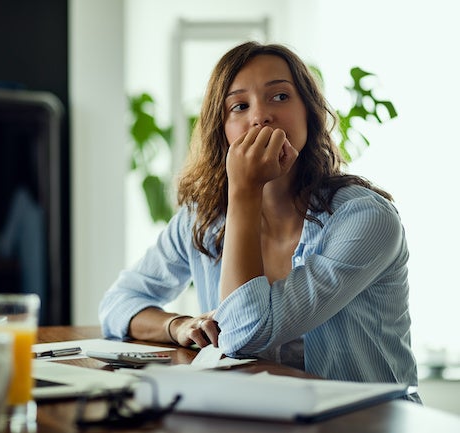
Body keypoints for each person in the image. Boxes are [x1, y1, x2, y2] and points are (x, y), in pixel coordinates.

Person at [99, 41, 420, 398]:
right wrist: (176, 325)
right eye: (240, 105)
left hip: (368, 421)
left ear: (309, 114)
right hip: (262, 414)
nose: (260, 116)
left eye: (279, 97)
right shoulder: (203, 218)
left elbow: (242, 334)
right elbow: (117, 304)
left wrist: (243, 192)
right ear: (221, 130)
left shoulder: (365, 219)